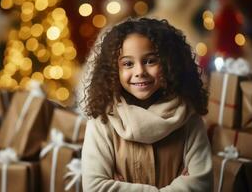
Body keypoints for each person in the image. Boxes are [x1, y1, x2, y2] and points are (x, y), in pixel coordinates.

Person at [80, 17, 213, 191]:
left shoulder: (189, 118)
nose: (140, 72)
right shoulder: (103, 121)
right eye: (128, 64)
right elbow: (94, 187)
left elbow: (201, 184)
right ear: (113, 70)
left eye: (150, 61)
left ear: (169, 63)